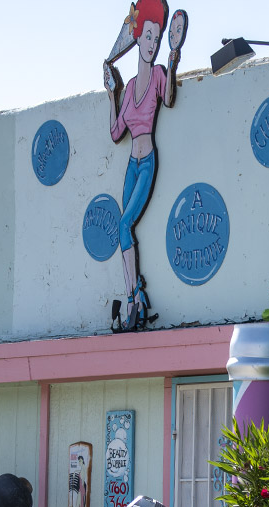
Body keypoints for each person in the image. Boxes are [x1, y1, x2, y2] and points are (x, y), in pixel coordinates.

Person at [104, 0, 186, 331]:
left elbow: (168, 99)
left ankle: (134, 297)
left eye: (157, 37)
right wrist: (112, 93)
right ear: (137, 38)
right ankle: (134, 300)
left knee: (125, 226)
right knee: (124, 231)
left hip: (148, 160)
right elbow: (115, 131)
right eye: (148, 37)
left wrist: (173, 58)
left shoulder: (157, 76)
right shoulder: (127, 94)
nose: (152, 43)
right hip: (130, 165)